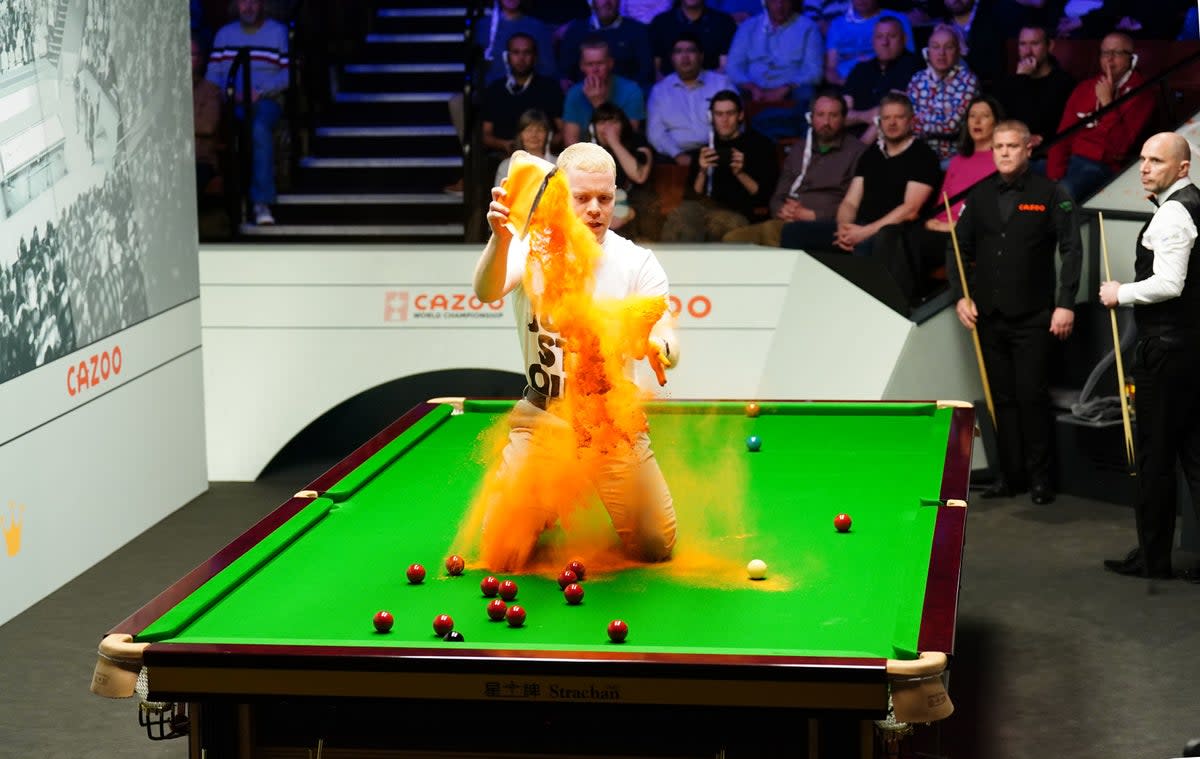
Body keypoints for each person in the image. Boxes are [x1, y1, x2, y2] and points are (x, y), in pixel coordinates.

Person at [472, 142, 679, 570]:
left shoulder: (637, 262)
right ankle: (545, 505)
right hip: (542, 417)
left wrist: (663, 347)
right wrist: (499, 239)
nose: (595, 210)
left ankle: (566, 495)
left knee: (655, 545)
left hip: (609, 424)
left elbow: (661, 325)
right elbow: (486, 291)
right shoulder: (529, 248)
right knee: (502, 556)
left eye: (605, 198)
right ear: (559, 197)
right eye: (581, 198)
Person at [945, 119, 1082, 505]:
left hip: (1035, 316)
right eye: (999, 147)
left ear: (1028, 149)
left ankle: (1041, 479)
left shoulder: (1050, 193)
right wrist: (961, 296)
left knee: (1031, 396)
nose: (1004, 152)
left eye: (1012, 146)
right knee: (1000, 399)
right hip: (989, 315)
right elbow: (958, 249)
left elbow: (1072, 249)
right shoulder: (981, 195)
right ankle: (1009, 476)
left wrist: (1065, 303)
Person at [1099, 132, 1200, 581]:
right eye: (1142, 159)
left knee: (1156, 460)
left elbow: (1169, 284)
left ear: (1182, 168)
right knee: (1194, 457)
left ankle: (1154, 559)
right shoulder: (1193, 204)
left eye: (1156, 161)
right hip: (1190, 352)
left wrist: (1119, 292)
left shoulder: (1175, 213)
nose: (1144, 167)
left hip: (1167, 355)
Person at [780, 93, 939, 262]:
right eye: (886, 117)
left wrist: (864, 233)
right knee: (793, 232)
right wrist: (843, 229)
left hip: (894, 232)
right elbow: (850, 202)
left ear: (912, 121)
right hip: (860, 227)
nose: (892, 123)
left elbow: (910, 209)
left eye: (899, 117)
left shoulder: (923, 156)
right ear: (880, 121)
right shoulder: (871, 154)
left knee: (867, 244)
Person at [723, 90, 866, 246]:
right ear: (811, 118)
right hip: (787, 222)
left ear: (844, 119)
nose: (826, 121)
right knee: (732, 239)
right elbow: (778, 196)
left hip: (825, 226)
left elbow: (855, 204)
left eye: (833, 115)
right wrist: (782, 211)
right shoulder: (799, 149)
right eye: (821, 115)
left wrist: (812, 215)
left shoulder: (858, 152)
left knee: (773, 235)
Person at [205, 0, 289, 226]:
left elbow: (286, 76)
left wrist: (259, 91)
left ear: (262, 4)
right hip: (231, 103)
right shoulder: (224, 34)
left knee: (258, 127)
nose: (248, 6)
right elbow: (213, 76)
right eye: (243, 2)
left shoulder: (277, 32)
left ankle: (261, 202)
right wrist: (231, 95)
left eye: (253, 1)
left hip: (266, 102)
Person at [1046, 32, 1153, 203]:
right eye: (1105, 53)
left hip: (1102, 166)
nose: (1109, 60)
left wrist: (1107, 103)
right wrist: (1054, 175)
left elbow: (1120, 147)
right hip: (1072, 160)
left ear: (1131, 59)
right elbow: (1063, 135)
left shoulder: (1142, 93)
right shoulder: (1085, 87)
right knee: (1022, 176)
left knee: (1063, 193)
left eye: (1117, 53)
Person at [660, 89, 778, 242]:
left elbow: (764, 196)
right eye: (719, 114)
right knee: (683, 214)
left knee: (714, 224)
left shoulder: (760, 146)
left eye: (730, 113)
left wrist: (740, 173)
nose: (724, 120)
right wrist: (702, 171)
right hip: (703, 208)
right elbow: (691, 196)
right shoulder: (707, 147)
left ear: (740, 115)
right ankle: (672, 263)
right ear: (712, 117)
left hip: (739, 211)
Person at [724, 0, 824, 140]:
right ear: (765, 2)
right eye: (774, 1)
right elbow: (733, 68)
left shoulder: (808, 27)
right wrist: (751, 87)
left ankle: (800, 147)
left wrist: (785, 88)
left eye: (785, 1)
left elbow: (814, 72)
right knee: (728, 92)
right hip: (753, 89)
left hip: (790, 89)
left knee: (806, 93)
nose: (780, 6)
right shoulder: (748, 27)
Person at [645, 31, 733, 165]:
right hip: (674, 156)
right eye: (679, 52)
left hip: (717, 150)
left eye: (691, 51)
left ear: (701, 56)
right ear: (672, 58)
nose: (685, 57)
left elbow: (736, 122)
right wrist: (678, 155)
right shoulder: (660, 91)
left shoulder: (722, 83)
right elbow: (655, 132)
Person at [991, 25, 1076, 153]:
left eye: (1034, 44)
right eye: (1022, 44)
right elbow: (1002, 118)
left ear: (1050, 46)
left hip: (1044, 151)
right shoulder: (1010, 81)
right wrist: (1021, 79)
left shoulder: (1063, 82)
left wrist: (1021, 80)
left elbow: (1034, 122)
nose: (1028, 51)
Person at [842, 16, 921, 145]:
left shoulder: (913, 66)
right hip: (850, 143)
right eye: (879, 37)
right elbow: (841, 115)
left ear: (904, 39)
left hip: (884, 144)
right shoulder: (861, 69)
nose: (885, 42)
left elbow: (889, 113)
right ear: (873, 41)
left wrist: (857, 151)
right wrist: (865, 115)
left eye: (892, 36)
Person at [906, 23, 979, 163]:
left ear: (957, 51)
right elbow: (908, 122)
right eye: (936, 47)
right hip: (918, 152)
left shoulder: (968, 80)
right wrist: (939, 116)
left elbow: (950, 126)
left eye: (948, 47)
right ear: (928, 51)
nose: (941, 53)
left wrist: (921, 118)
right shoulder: (917, 79)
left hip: (953, 157)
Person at [561, 37, 646, 146]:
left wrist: (599, 104)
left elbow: (628, 139)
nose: (595, 69)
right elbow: (571, 142)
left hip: (620, 156)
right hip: (585, 158)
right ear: (582, 66)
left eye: (600, 63)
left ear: (610, 64)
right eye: (590, 64)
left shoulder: (632, 91)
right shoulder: (574, 93)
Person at [589, 103, 657, 238]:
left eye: (613, 122)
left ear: (623, 125)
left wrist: (614, 142)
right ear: (593, 128)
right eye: (602, 122)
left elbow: (639, 176)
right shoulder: (588, 149)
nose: (608, 128)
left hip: (637, 205)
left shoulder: (638, 143)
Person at [558, 0, 654, 94]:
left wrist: (629, 90)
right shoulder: (576, 30)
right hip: (585, 92)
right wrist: (564, 79)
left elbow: (646, 68)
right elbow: (565, 69)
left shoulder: (636, 30)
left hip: (626, 93)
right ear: (592, 2)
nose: (607, 2)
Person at [823, 0, 914, 86]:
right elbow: (831, 68)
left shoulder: (897, 19)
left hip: (886, 81)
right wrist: (845, 84)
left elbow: (909, 58)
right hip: (845, 84)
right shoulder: (837, 24)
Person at [648, 0, 737, 78]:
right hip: (669, 88)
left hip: (712, 86)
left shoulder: (723, 22)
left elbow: (724, 67)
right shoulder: (661, 22)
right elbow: (656, 70)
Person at [191, 31, 223, 198]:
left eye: (193, 54)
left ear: (201, 59)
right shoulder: (166, 91)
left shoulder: (210, 90)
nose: (189, 58)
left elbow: (208, 125)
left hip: (200, 161)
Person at [495, 109, 557, 185]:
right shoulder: (506, 166)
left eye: (540, 130)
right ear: (520, 135)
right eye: (529, 130)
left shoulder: (558, 165)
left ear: (548, 134)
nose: (534, 135)